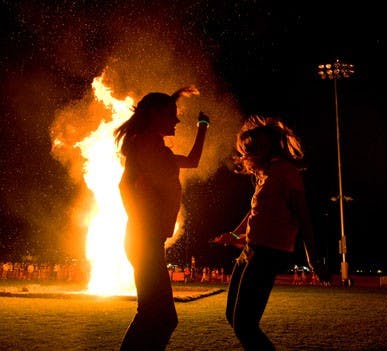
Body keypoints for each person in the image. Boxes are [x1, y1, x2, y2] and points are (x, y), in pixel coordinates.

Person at [211, 115, 326, 350]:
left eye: (249, 150)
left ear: (265, 149)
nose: (245, 156)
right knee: (233, 317)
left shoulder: (286, 172)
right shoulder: (266, 174)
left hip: (267, 253)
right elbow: (256, 211)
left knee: (245, 325)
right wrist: (234, 235)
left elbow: (303, 215)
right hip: (251, 250)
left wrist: (312, 255)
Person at [114, 86, 209, 350]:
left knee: (157, 316)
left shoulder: (153, 147)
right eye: (171, 114)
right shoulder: (144, 145)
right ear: (154, 115)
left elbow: (192, 161)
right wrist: (140, 216)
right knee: (161, 317)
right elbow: (124, 185)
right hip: (144, 238)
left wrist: (203, 127)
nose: (177, 120)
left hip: (147, 238)